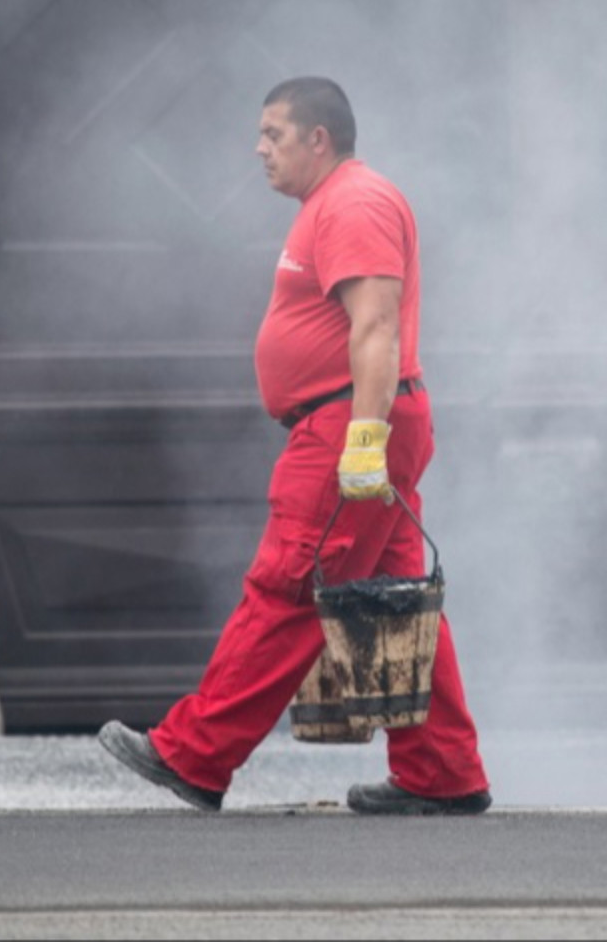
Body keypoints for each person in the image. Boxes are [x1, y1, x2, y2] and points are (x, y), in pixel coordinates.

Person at [97, 77, 490, 815]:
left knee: (289, 584)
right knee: (398, 601)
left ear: (319, 138)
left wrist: (364, 440)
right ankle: (443, 772)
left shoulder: (353, 202)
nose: (259, 149)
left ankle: (195, 753)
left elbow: (374, 325)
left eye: (273, 134)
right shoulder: (335, 203)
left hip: (350, 423)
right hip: (358, 419)